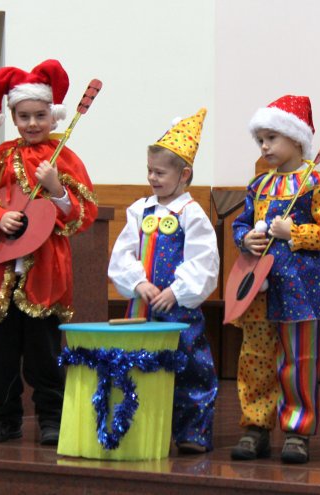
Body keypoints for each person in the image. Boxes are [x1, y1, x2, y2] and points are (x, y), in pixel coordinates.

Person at [0, 59, 98, 445]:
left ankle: (52, 419)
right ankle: (2, 418)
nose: (33, 124)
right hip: (1, 270)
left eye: (40, 115)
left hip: (46, 272)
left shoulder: (64, 161)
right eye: (24, 116)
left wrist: (56, 189)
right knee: (0, 356)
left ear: (53, 116)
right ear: (13, 117)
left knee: (45, 351)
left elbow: (83, 215)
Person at [231, 95, 320, 463]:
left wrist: (292, 231)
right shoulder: (258, 185)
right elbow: (242, 223)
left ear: (296, 140)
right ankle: (255, 427)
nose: (264, 146)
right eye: (260, 139)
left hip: (300, 288)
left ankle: (297, 429)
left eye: (272, 138)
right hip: (259, 286)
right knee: (256, 356)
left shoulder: (314, 183)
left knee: (299, 357)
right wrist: (245, 238)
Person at [108, 108, 220, 454]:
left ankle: (192, 432)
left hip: (178, 313)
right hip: (142, 309)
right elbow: (123, 253)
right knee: (139, 368)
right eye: (149, 171)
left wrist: (177, 290)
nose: (152, 178)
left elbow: (203, 259)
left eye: (160, 172)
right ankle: (141, 429)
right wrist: (138, 282)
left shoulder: (192, 214)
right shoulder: (139, 211)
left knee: (190, 370)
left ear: (184, 174)